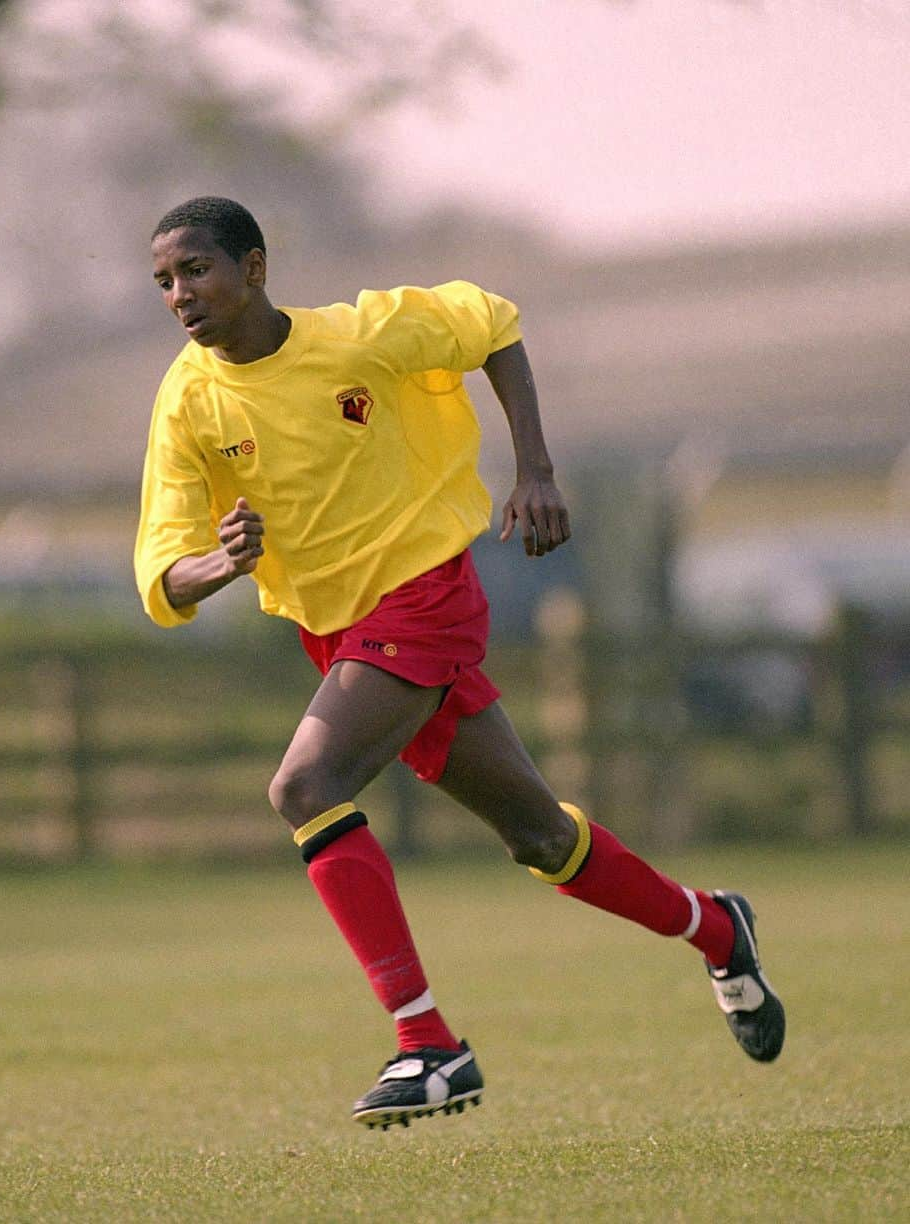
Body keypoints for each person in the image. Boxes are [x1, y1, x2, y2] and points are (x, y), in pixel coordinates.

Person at [134, 196, 785, 1130]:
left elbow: (494, 325)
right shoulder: (187, 400)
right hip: (342, 632)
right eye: (163, 281)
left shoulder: (364, 335)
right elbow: (165, 570)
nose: (179, 294)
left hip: (424, 600)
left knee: (304, 786)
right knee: (540, 838)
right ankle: (719, 929)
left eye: (195, 270)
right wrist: (220, 561)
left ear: (255, 267)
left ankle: (426, 1043)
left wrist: (536, 470)